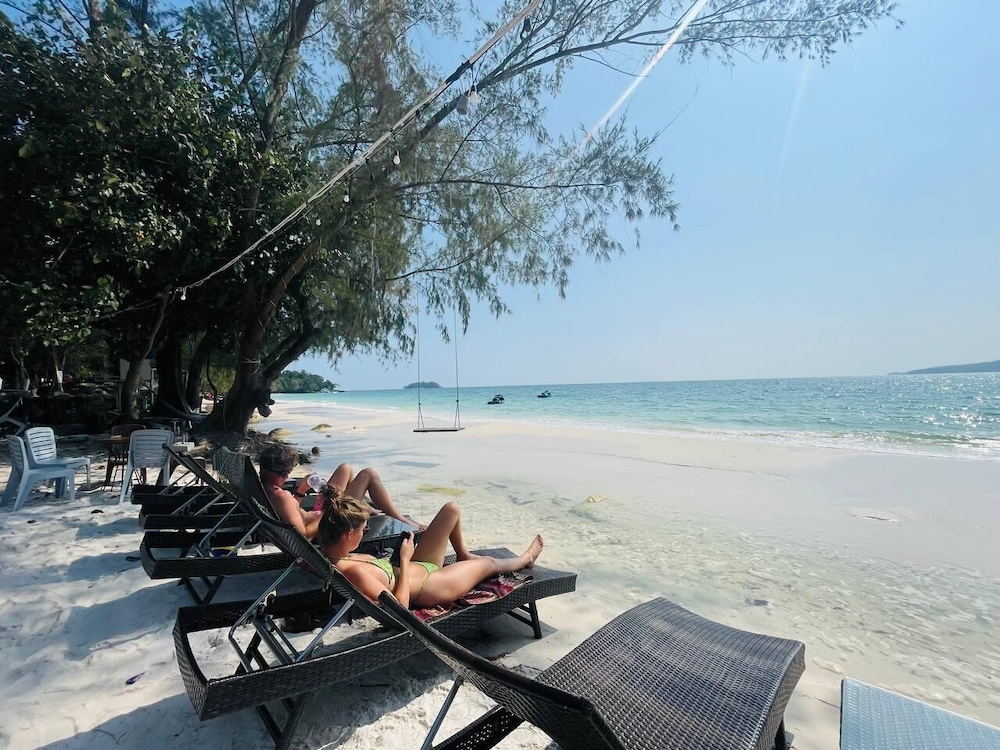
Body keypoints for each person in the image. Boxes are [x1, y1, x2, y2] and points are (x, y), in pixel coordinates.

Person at [317, 488, 544, 609]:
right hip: (430, 586)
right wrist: (404, 560)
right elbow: (400, 608)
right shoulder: (355, 571)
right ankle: (525, 559)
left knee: (451, 509)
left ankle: (463, 554)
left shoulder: (335, 553)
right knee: (487, 563)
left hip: (419, 564)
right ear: (348, 534)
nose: (365, 533)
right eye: (363, 530)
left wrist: (406, 559)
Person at [258, 444, 418, 541]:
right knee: (369, 474)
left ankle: (363, 506)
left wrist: (301, 491)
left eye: (287, 473)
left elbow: (293, 513)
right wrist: (325, 512)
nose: (286, 477)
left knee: (345, 468)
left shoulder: (263, 488)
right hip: (328, 523)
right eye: (283, 474)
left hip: (319, 515)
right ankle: (398, 517)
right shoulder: (282, 496)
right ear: (266, 470)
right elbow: (304, 537)